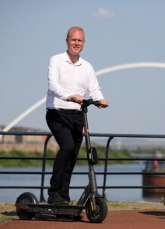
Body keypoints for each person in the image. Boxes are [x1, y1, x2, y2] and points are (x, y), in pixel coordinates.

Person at [45, 26, 109, 204]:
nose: (76, 43)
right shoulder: (56, 60)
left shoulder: (87, 66)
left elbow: (94, 88)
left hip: (78, 116)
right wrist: (69, 96)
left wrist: (100, 100)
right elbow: (53, 86)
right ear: (67, 41)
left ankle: (63, 197)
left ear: (84, 43)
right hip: (57, 113)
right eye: (73, 40)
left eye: (79, 40)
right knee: (67, 147)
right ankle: (53, 192)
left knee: (72, 156)